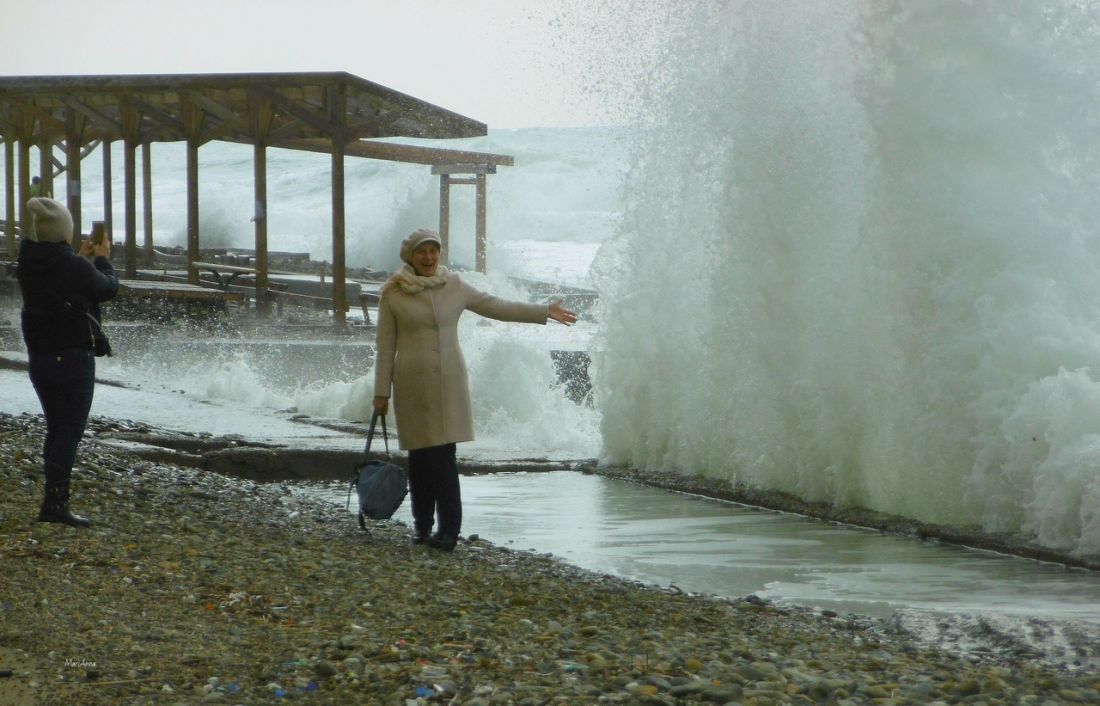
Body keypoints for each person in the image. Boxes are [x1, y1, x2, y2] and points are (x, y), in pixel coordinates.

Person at [372, 228, 577, 551]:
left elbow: (496, 306)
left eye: (433, 251)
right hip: (412, 384)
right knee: (420, 460)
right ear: (410, 256)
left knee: (443, 457)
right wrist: (381, 392)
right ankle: (422, 527)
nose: (428, 257)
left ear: (440, 254)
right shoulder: (393, 293)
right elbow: (385, 347)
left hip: (449, 382)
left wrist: (543, 312)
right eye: (421, 252)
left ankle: (449, 531)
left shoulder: (453, 285)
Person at [17, 198, 118, 527]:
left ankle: (54, 499)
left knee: (56, 428)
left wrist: (82, 260)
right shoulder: (74, 267)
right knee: (69, 431)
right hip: (73, 356)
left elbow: (62, 274)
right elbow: (106, 289)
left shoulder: (28, 262)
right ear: (65, 231)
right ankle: (55, 504)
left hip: (40, 358)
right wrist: (102, 261)